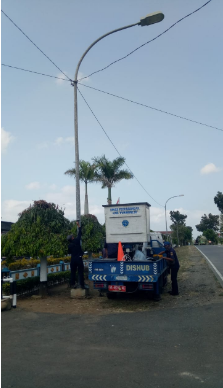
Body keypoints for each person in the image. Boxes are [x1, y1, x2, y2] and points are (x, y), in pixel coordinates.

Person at [67, 221, 86, 289]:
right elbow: (79, 234)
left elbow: (69, 252)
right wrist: (78, 226)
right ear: (72, 238)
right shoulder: (77, 241)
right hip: (79, 258)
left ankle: (72, 284)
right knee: (80, 272)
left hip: (73, 260)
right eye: (72, 236)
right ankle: (82, 285)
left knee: (73, 272)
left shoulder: (69, 245)